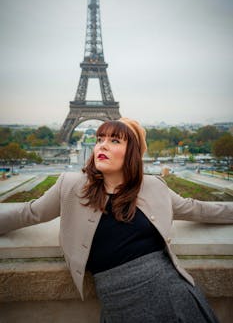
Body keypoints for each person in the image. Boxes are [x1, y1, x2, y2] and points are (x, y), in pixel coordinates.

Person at [0, 118, 232, 323]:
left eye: (115, 141)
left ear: (132, 152)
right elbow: (29, 213)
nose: (102, 144)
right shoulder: (70, 185)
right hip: (118, 303)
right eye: (100, 138)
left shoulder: (152, 186)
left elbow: (197, 209)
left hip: (173, 294)